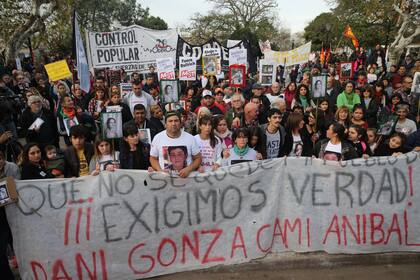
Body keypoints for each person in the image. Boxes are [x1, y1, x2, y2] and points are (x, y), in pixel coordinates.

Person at [150, 111, 201, 177]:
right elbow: (153, 158)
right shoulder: (157, 138)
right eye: (170, 121)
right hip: (165, 181)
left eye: (176, 121)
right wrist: (160, 170)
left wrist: (189, 169)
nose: (173, 123)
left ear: (180, 123)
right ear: (165, 124)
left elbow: (198, 158)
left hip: (186, 181)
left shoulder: (190, 138)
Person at [0, 150, 19, 280]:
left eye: (0, 158)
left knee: (17, 241)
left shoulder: (12, 167)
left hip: (15, 210)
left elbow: (19, 186)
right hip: (0, 217)